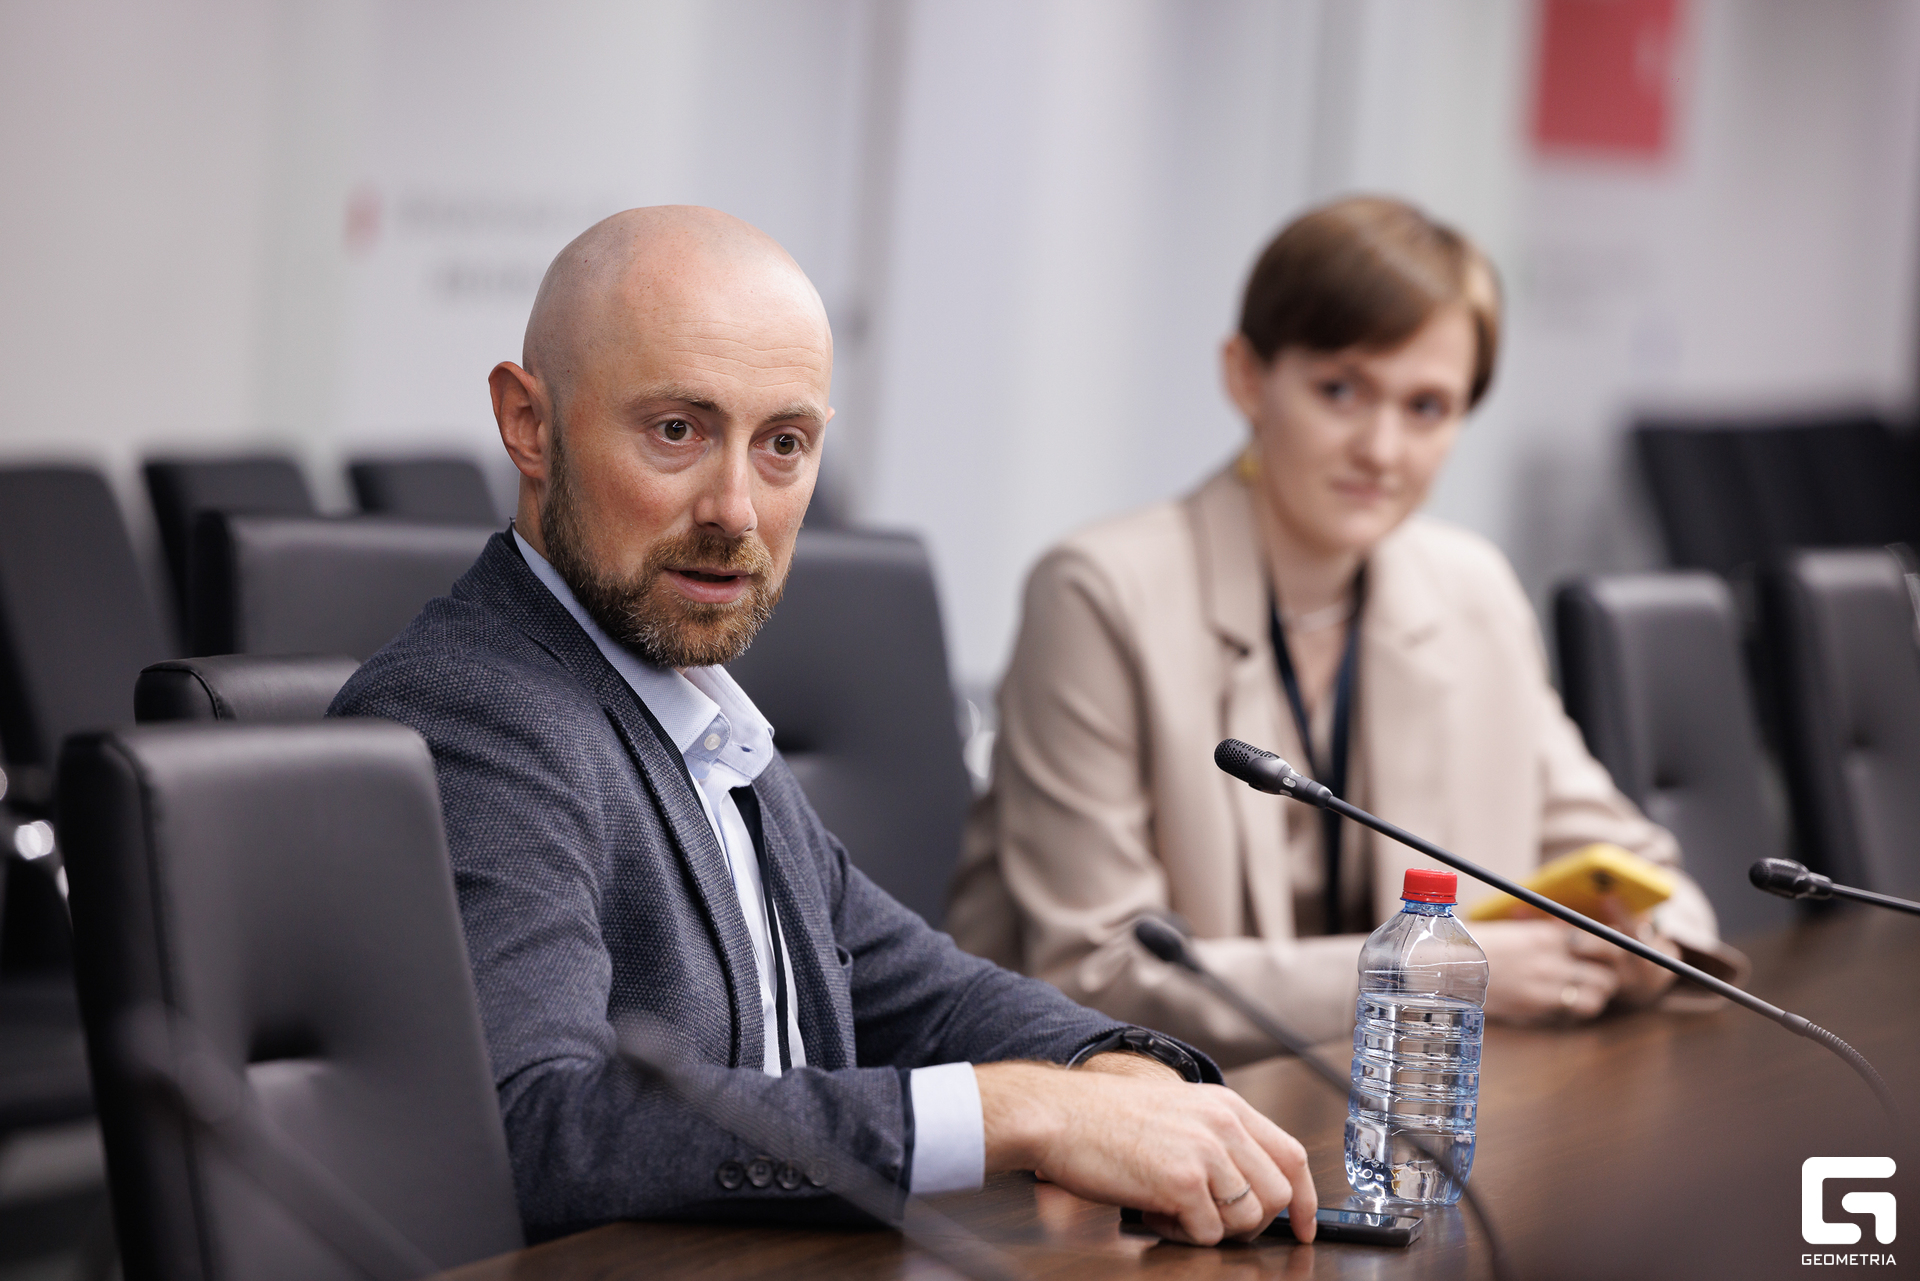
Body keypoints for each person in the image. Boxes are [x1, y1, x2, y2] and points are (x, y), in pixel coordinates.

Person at [331, 206, 1317, 1246]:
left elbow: (919, 992)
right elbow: (544, 1127)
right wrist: (1024, 1112)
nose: (735, 509)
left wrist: (1111, 1069)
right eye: (677, 431)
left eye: (783, 445)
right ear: (529, 425)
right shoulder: (474, 715)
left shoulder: (691, 710)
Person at [946, 196, 1746, 1065]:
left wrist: (1634, 944)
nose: (1382, 449)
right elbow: (1093, 971)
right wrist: (1429, 973)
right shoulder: (1099, 592)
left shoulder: (1470, 593)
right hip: (1130, 1107)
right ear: (1247, 377)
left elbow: (1645, 876)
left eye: (1427, 407)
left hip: (1391, 1101)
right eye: (1341, 390)